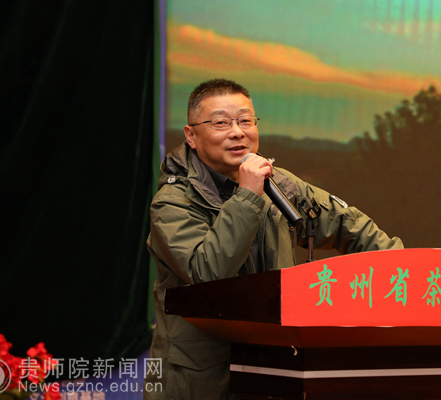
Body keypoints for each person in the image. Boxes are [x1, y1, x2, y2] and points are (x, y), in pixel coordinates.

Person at [145, 78, 404, 400]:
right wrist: (247, 195)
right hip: (202, 380)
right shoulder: (172, 203)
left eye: (245, 121)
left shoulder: (277, 183)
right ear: (191, 136)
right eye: (221, 123)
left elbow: (347, 225)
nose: (237, 132)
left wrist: (406, 271)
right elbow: (207, 274)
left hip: (271, 369)